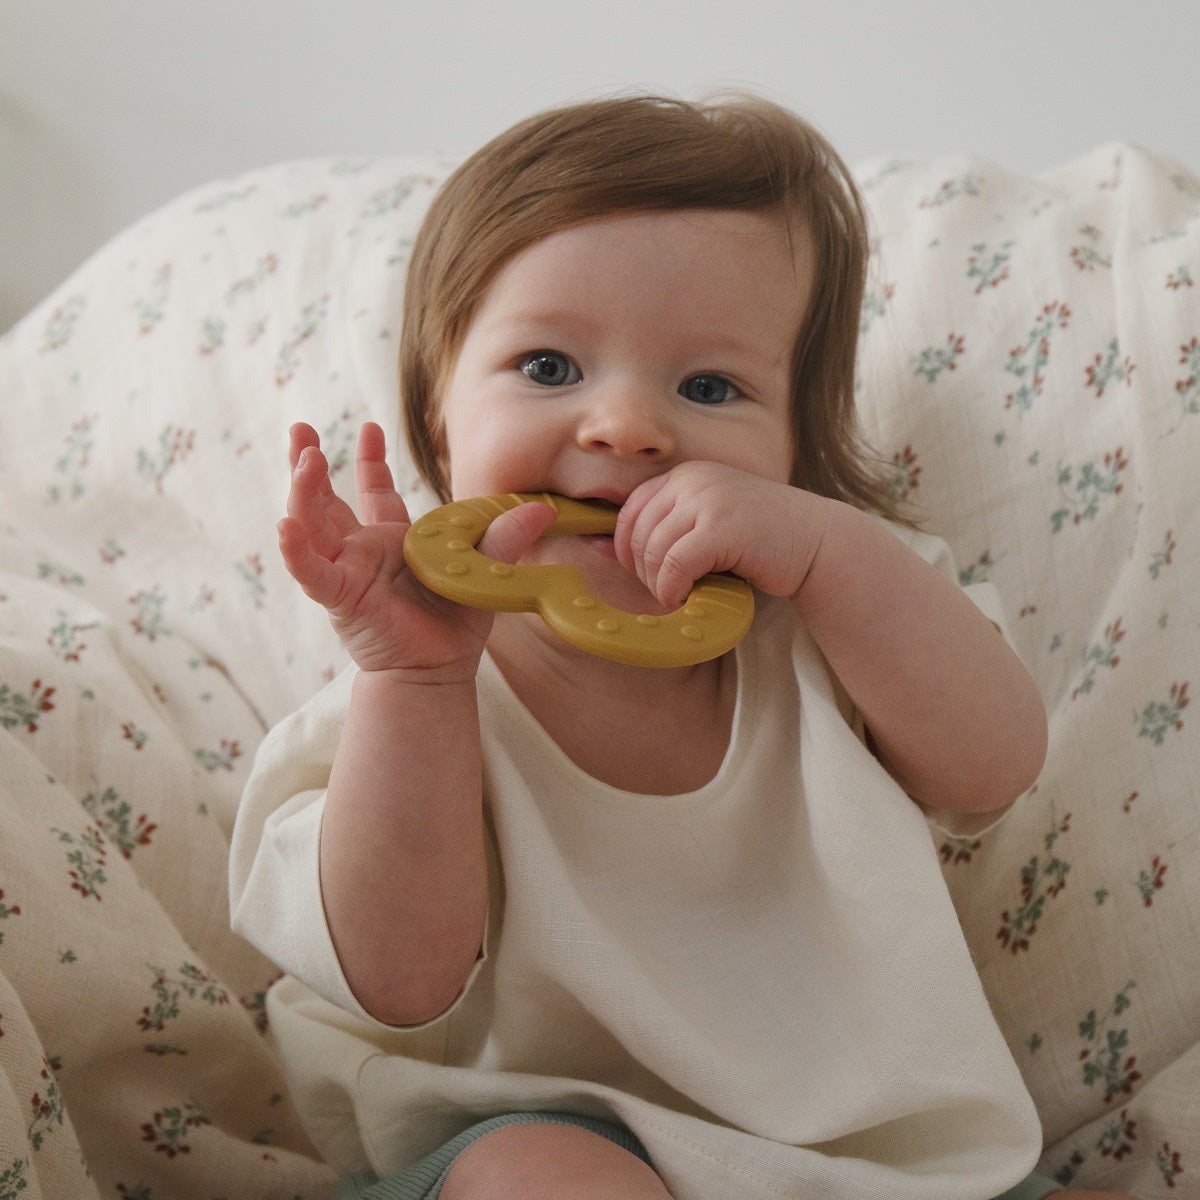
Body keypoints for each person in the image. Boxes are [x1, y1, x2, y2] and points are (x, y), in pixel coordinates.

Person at [230, 95, 1134, 1200]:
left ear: (796, 447)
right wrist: (414, 680)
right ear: (438, 421)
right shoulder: (411, 679)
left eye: (710, 387)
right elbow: (397, 980)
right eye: (548, 367)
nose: (627, 427)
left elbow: (993, 765)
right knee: (538, 1178)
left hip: (872, 1174)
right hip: (526, 1135)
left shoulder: (843, 619)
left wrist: (830, 555)